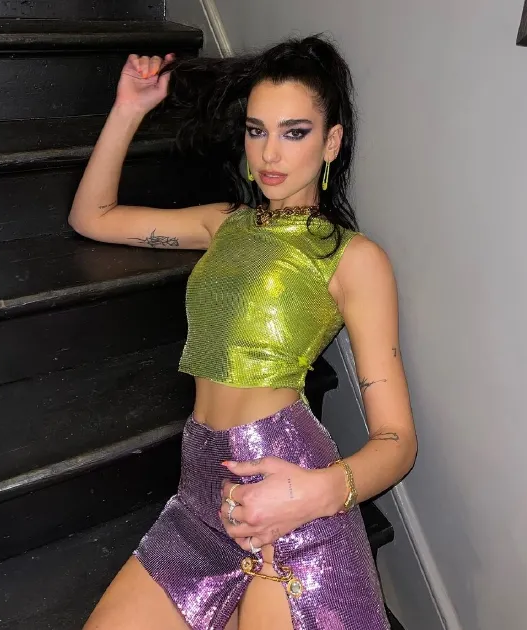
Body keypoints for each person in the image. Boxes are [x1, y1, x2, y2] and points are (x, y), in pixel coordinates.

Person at [70, 34, 416, 630]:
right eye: (257, 131)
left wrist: (315, 493)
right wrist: (129, 108)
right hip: (200, 496)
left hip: (288, 496)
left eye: (294, 132)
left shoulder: (354, 258)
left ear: (332, 142)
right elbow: (92, 217)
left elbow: (397, 440)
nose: (270, 154)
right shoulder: (225, 223)